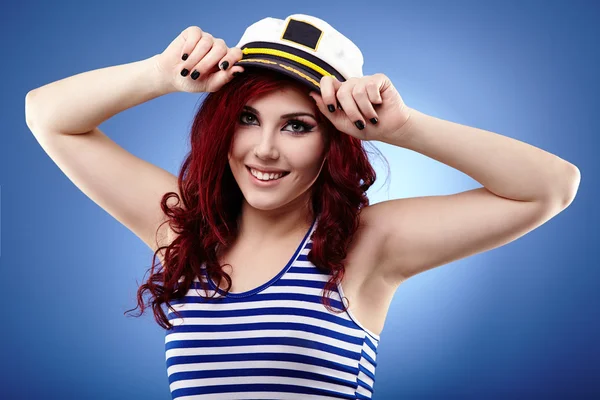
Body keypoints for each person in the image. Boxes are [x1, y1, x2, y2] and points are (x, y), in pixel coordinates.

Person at [25, 13, 580, 400]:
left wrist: (407, 128)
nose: (265, 149)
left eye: (297, 126)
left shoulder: (367, 245)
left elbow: (551, 186)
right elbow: (45, 115)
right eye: (248, 119)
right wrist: (158, 74)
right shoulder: (184, 231)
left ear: (332, 140)